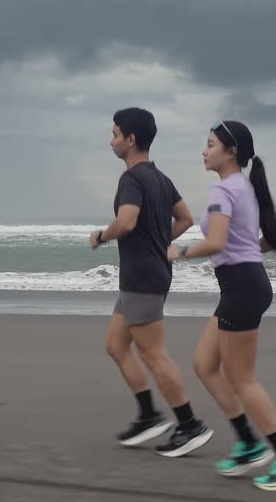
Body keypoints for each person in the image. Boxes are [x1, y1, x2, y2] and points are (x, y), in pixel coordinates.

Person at [168, 119, 276, 491]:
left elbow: (216, 243)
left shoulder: (223, 190)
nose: (204, 151)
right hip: (244, 285)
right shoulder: (245, 186)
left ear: (231, 151)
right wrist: (248, 252)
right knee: (204, 365)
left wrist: (178, 252)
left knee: (243, 380)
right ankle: (249, 444)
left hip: (242, 288)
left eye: (210, 144)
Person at [91, 107, 214, 457]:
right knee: (116, 345)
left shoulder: (131, 179)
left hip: (142, 277)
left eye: (115, 134)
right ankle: (148, 415)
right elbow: (186, 218)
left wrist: (101, 236)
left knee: (153, 353)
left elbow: (126, 221)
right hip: (146, 274)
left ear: (131, 140)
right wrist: (160, 242)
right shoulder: (160, 178)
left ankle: (189, 424)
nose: (111, 141)